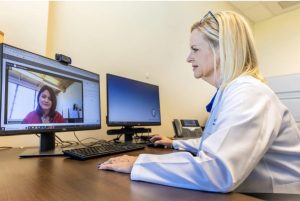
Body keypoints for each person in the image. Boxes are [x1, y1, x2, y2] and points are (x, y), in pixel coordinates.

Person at [98, 11, 300, 193]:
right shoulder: (230, 91)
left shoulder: (249, 93)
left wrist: (140, 163)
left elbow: (218, 171)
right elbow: (215, 143)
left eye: (195, 49)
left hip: (278, 195)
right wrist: (175, 143)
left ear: (222, 49)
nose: (188, 57)